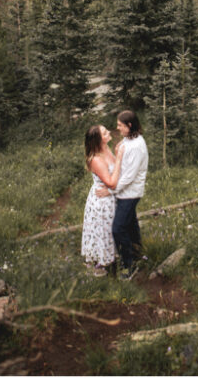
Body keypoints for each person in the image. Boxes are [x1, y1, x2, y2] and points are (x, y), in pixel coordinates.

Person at [97, 109, 149, 280]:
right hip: (126, 192)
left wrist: (110, 190)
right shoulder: (131, 139)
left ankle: (129, 266)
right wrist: (121, 145)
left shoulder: (137, 148)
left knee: (118, 229)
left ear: (130, 125)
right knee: (131, 224)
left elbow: (128, 177)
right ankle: (138, 254)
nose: (117, 128)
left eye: (120, 125)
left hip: (129, 193)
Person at [81, 124, 124, 276]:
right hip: (102, 202)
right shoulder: (96, 160)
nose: (109, 133)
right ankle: (105, 268)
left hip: (111, 197)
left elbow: (117, 177)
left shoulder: (106, 150)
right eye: (105, 133)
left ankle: (115, 262)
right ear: (99, 141)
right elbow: (112, 182)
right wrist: (119, 158)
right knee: (105, 231)